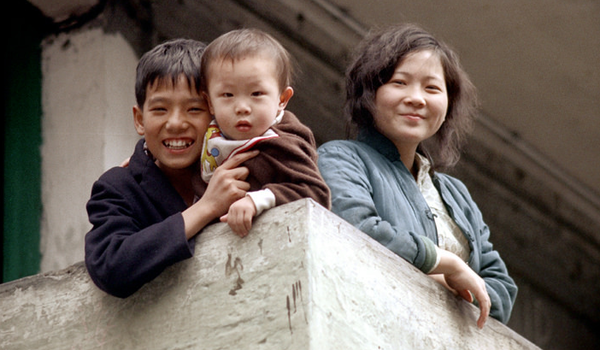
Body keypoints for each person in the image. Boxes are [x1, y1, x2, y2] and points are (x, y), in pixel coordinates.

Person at [317, 23, 517, 328]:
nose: (416, 98)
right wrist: (442, 262)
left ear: (448, 104)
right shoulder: (341, 159)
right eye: (399, 82)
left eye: (432, 88)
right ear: (369, 94)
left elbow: (501, 291)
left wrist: (451, 286)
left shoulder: (457, 194)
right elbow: (355, 230)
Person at [85, 39, 257, 298]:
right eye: (160, 109)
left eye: (194, 109)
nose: (176, 123)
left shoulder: (246, 163)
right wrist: (207, 207)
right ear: (140, 120)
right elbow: (111, 265)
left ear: (216, 113)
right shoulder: (120, 186)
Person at [198, 28, 330, 238]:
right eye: (228, 94)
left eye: (256, 94)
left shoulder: (283, 144)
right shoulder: (212, 136)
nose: (242, 107)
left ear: (282, 99)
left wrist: (258, 200)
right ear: (209, 103)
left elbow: (316, 194)